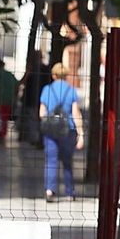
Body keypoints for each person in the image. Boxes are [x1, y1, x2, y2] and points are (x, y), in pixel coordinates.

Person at [39, 61, 83, 201]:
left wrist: (49, 120)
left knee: (51, 161)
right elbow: (76, 113)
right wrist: (81, 133)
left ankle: (50, 190)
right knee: (67, 161)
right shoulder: (71, 90)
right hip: (68, 130)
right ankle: (69, 192)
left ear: (53, 75)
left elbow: (41, 113)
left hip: (51, 131)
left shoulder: (47, 89)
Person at [0, 57, 18, 143]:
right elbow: (18, 84)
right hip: (9, 100)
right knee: (4, 120)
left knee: (0, 118)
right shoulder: (9, 74)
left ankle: (1, 136)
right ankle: (2, 136)